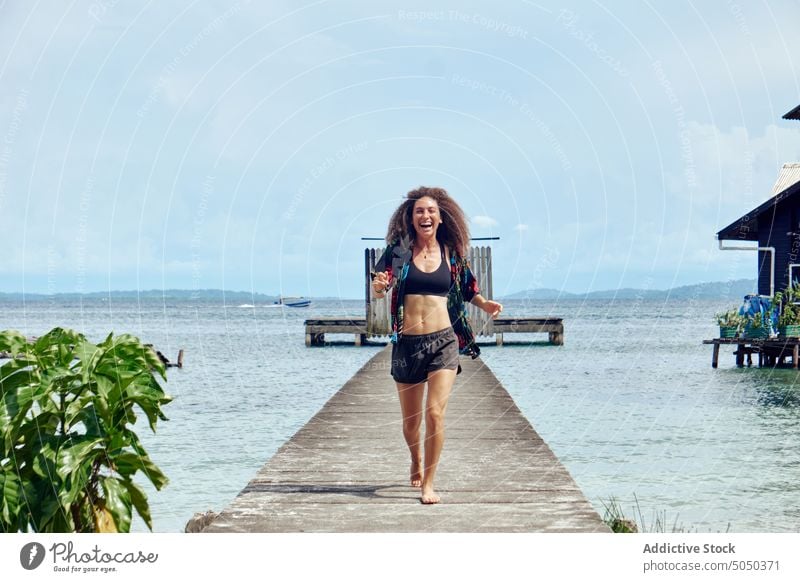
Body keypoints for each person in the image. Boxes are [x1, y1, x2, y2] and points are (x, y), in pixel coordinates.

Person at [372, 186, 503, 504]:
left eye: (430, 210)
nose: (425, 215)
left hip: (444, 341)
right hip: (407, 345)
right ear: (411, 217)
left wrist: (484, 304)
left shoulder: (451, 254)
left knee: (435, 414)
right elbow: (381, 282)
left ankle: (429, 483)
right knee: (410, 423)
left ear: (441, 217)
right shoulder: (399, 251)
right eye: (419, 211)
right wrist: (379, 287)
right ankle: (415, 459)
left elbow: (468, 286)